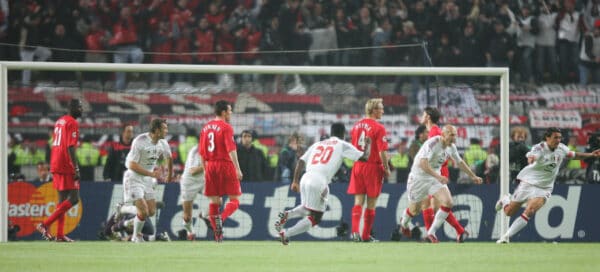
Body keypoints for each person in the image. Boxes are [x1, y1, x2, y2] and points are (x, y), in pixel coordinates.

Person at [495, 127, 600, 243]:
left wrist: (591, 154)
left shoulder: (562, 148)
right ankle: (505, 200)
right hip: (528, 183)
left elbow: (575, 155)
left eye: (560, 137)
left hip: (545, 188)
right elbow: (531, 156)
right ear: (547, 137)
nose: (558, 140)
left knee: (529, 211)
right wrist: (532, 159)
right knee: (509, 212)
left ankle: (505, 237)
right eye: (556, 137)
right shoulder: (539, 148)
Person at [274, 123, 372, 245]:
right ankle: (286, 234)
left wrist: (295, 181)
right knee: (316, 217)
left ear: (331, 133)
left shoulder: (317, 144)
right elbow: (364, 157)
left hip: (305, 177)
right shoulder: (342, 145)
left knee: (307, 208)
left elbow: (301, 161)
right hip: (319, 180)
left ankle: (286, 215)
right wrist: (368, 144)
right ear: (343, 134)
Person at [398, 125, 483, 243]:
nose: (454, 138)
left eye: (455, 135)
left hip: (434, 179)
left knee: (448, 202)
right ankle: (403, 223)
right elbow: (423, 163)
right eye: (451, 135)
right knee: (414, 210)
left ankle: (431, 233)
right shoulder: (433, 143)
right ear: (443, 135)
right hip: (418, 179)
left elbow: (460, 162)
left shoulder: (451, 147)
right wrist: (438, 176)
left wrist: (473, 176)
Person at [416, 106, 468, 242]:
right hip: (435, 172)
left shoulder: (434, 133)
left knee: (431, 205)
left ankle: (433, 235)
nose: (421, 116)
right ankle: (454, 232)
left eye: (423, 114)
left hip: (436, 172)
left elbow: (440, 157)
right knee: (432, 205)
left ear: (427, 116)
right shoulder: (432, 131)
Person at [36, 99, 83, 242]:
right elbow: (70, 147)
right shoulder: (72, 122)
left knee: (62, 201)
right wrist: (75, 167)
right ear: (72, 108)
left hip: (55, 162)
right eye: (79, 107)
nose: (82, 109)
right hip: (65, 163)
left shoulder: (59, 121)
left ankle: (60, 235)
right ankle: (45, 224)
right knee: (74, 199)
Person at [199, 100, 243, 242]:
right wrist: (237, 168)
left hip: (210, 165)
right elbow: (231, 149)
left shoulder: (205, 127)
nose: (231, 113)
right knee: (235, 200)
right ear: (223, 112)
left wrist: (206, 170)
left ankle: (217, 235)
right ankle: (221, 219)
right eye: (229, 111)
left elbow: (201, 153)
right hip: (225, 164)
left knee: (214, 202)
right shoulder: (226, 127)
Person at [123, 118, 173, 243]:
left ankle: (127, 217)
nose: (167, 131)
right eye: (164, 128)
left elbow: (169, 158)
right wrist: (151, 173)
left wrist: (169, 174)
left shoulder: (163, 143)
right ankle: (136, 236)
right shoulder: (140, 141)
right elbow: (132, 165)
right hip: (133, 177)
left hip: (148, 179)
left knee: (151, 211)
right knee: (143, 211)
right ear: (156, 130)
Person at [347, 98, 390, 242]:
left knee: (358, 201)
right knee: (371, 203)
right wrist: (386, 167)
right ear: (374, 110)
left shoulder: (356, 126)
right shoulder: (379, 128)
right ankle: (365, 236)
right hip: (372, 167)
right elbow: (382, 152)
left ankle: (354, 232)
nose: (383, 111)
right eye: (381, 108)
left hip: (358, 165)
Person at [179, 144, 206, 241]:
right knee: (187, 216)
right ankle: (190, 232)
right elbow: (193, 171)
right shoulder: (196, 150)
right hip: (189, 182)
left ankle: (204, 215)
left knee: (218, 201)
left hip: (204, 179)